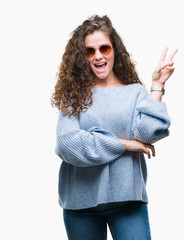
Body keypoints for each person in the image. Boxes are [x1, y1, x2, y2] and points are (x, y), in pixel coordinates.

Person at [51, 14, 177, 240]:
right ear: (81, 57)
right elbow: (68, 144)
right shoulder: (73, 96)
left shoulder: (134, 92)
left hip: (127, 201)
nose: (98, 56)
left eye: (104, 48)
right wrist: (124, 144)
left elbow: (148, 133)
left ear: (114, 50)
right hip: (80, 205)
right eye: (90, 51)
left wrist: (157, 85)